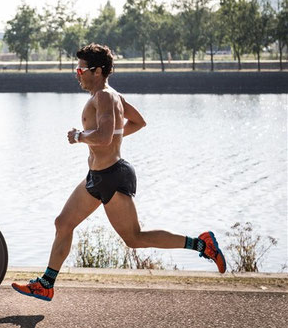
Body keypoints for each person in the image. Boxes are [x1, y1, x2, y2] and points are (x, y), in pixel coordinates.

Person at [12, 43, 226, 302]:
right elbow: (137, 122)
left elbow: (102, 137)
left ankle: (202, 244)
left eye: (81, 70)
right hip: (96, 176)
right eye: (76, 69)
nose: (77, 74)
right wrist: (112, 136)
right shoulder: (111, 96)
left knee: (134, 238)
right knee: (63, 223)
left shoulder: (104, 96)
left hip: (112, 176)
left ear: (98, 71)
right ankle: (46, 284)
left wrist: (80, 136)